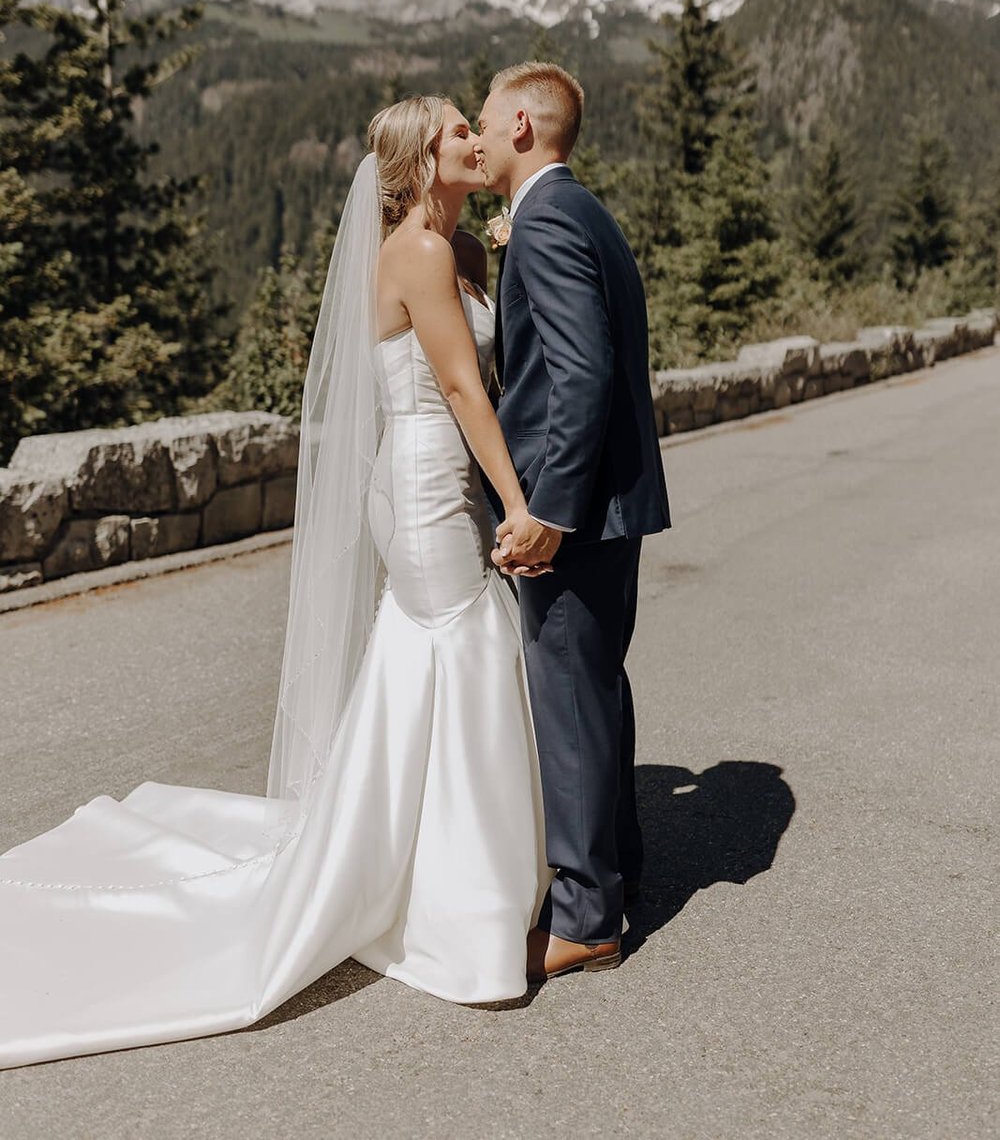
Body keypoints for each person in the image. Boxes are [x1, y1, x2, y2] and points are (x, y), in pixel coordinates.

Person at [0, 96, 550, 1071]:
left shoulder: (458, 252)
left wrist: (503, 253)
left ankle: (429, 863)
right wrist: (515, 504)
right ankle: (461, 899)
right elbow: (464, 390)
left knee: (431, 662)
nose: (479, 137)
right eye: (461, 130)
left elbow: (486, 368)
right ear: (426, 159)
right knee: (465, 647)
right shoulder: (418, 255)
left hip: (435, 486)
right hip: (426, 491)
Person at [475, 62, 671, 983]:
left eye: (484, 115)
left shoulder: (549, 219)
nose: (476, 130)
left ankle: (589, 915)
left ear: (521, 124)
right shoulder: (579, 209)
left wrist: (548, 509)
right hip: (612, 502)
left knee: (569, 692)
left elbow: (583, 373)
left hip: (576, 507)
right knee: (594, 683)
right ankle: (620, 865)